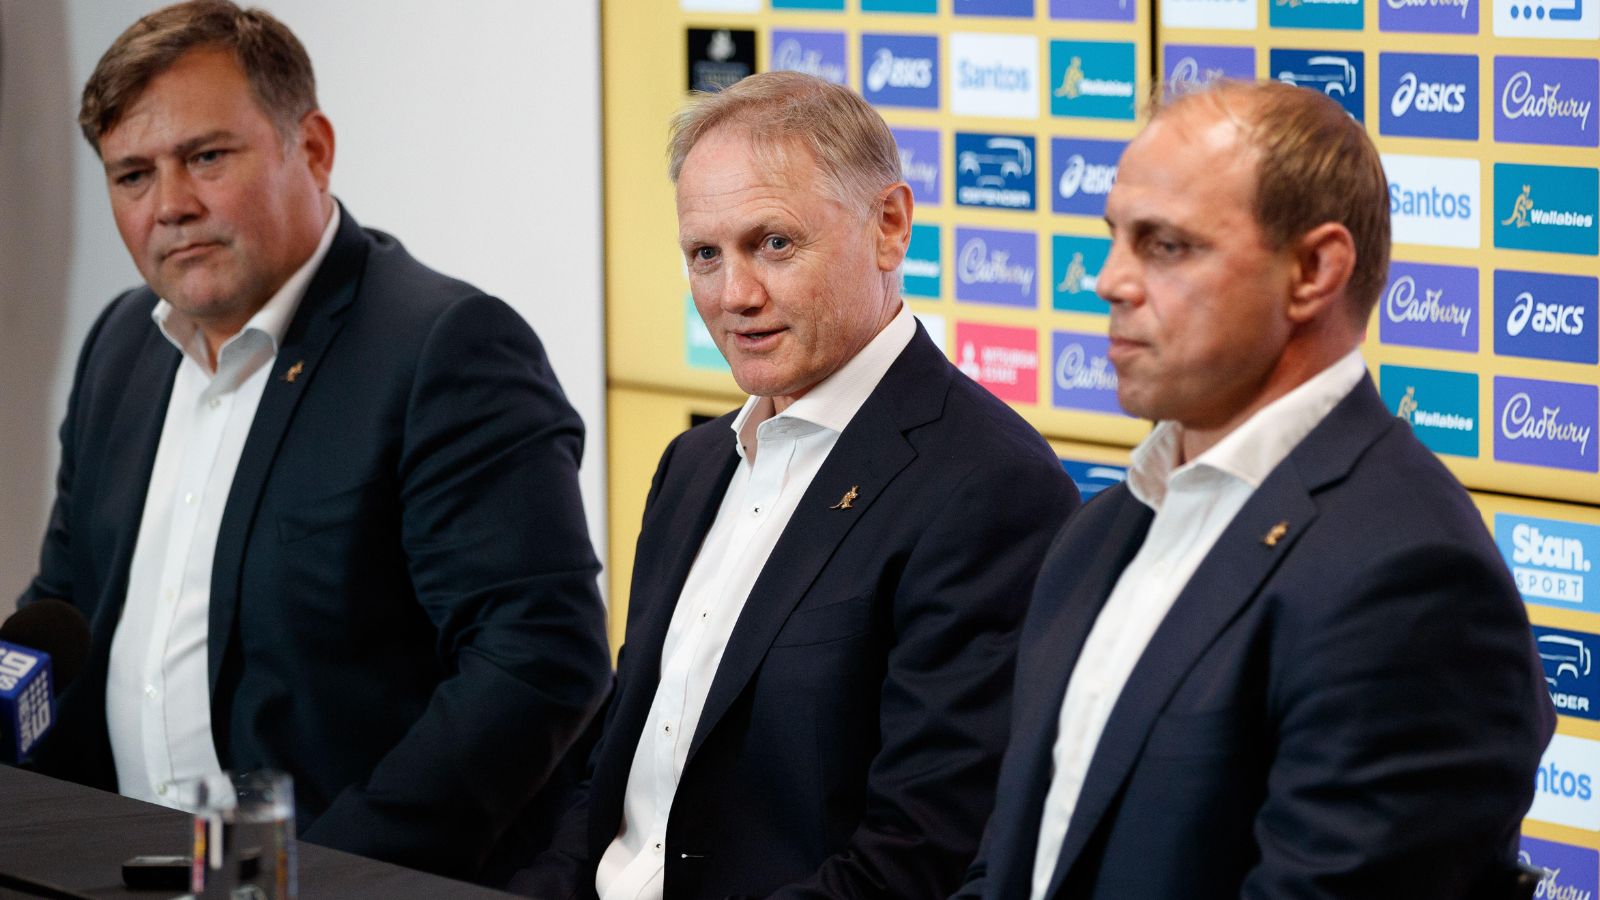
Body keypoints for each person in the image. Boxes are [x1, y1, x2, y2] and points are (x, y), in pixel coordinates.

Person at [16, 0, 610, 882]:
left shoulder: (445, 348)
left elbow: (534, 662)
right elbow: (63, 603)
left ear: (315, 148)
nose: (171, 205)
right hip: (125, 866)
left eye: (206, 157)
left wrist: (321, 876)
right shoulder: (121, 346)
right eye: (132, 175)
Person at [952, 79, 1554, 900]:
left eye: (1165, 246)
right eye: (1115, 238)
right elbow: (1010, 863)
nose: (1108, 281)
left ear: (1313, 270)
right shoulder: (1100, 531)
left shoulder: (1409, 578)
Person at [513, 71, 1080, 900]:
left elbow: (921, 855)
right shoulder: (693, 465)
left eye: (773, 243)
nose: (735, 297)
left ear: (889, 227)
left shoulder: (992, 488)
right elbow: (614, 779)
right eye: (706, 255)